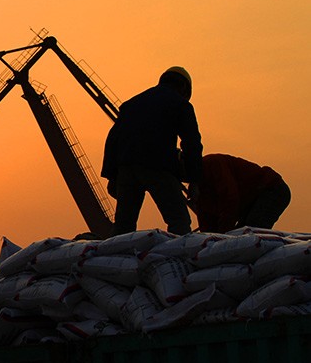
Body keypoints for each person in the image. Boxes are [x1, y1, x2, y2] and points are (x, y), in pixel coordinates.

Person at [101, 66, 203, 236]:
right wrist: (194, 180)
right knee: (179, 221)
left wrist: (112, 175)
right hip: (158, 166)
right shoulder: (181, 105)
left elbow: (112, 140)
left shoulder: (131, 104)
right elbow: (192, 144)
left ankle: (116, 260)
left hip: (126, 168)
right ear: (184, 88)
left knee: (123, 227)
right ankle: (178, 260)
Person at [189, 153, 291, 233]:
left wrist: (223, 235)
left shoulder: (212, 164)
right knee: (242, 234)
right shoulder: (201, 199)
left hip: (271, 189)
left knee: (251, 231)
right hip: (252, 200)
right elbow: (207, 226)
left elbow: (230, 200)